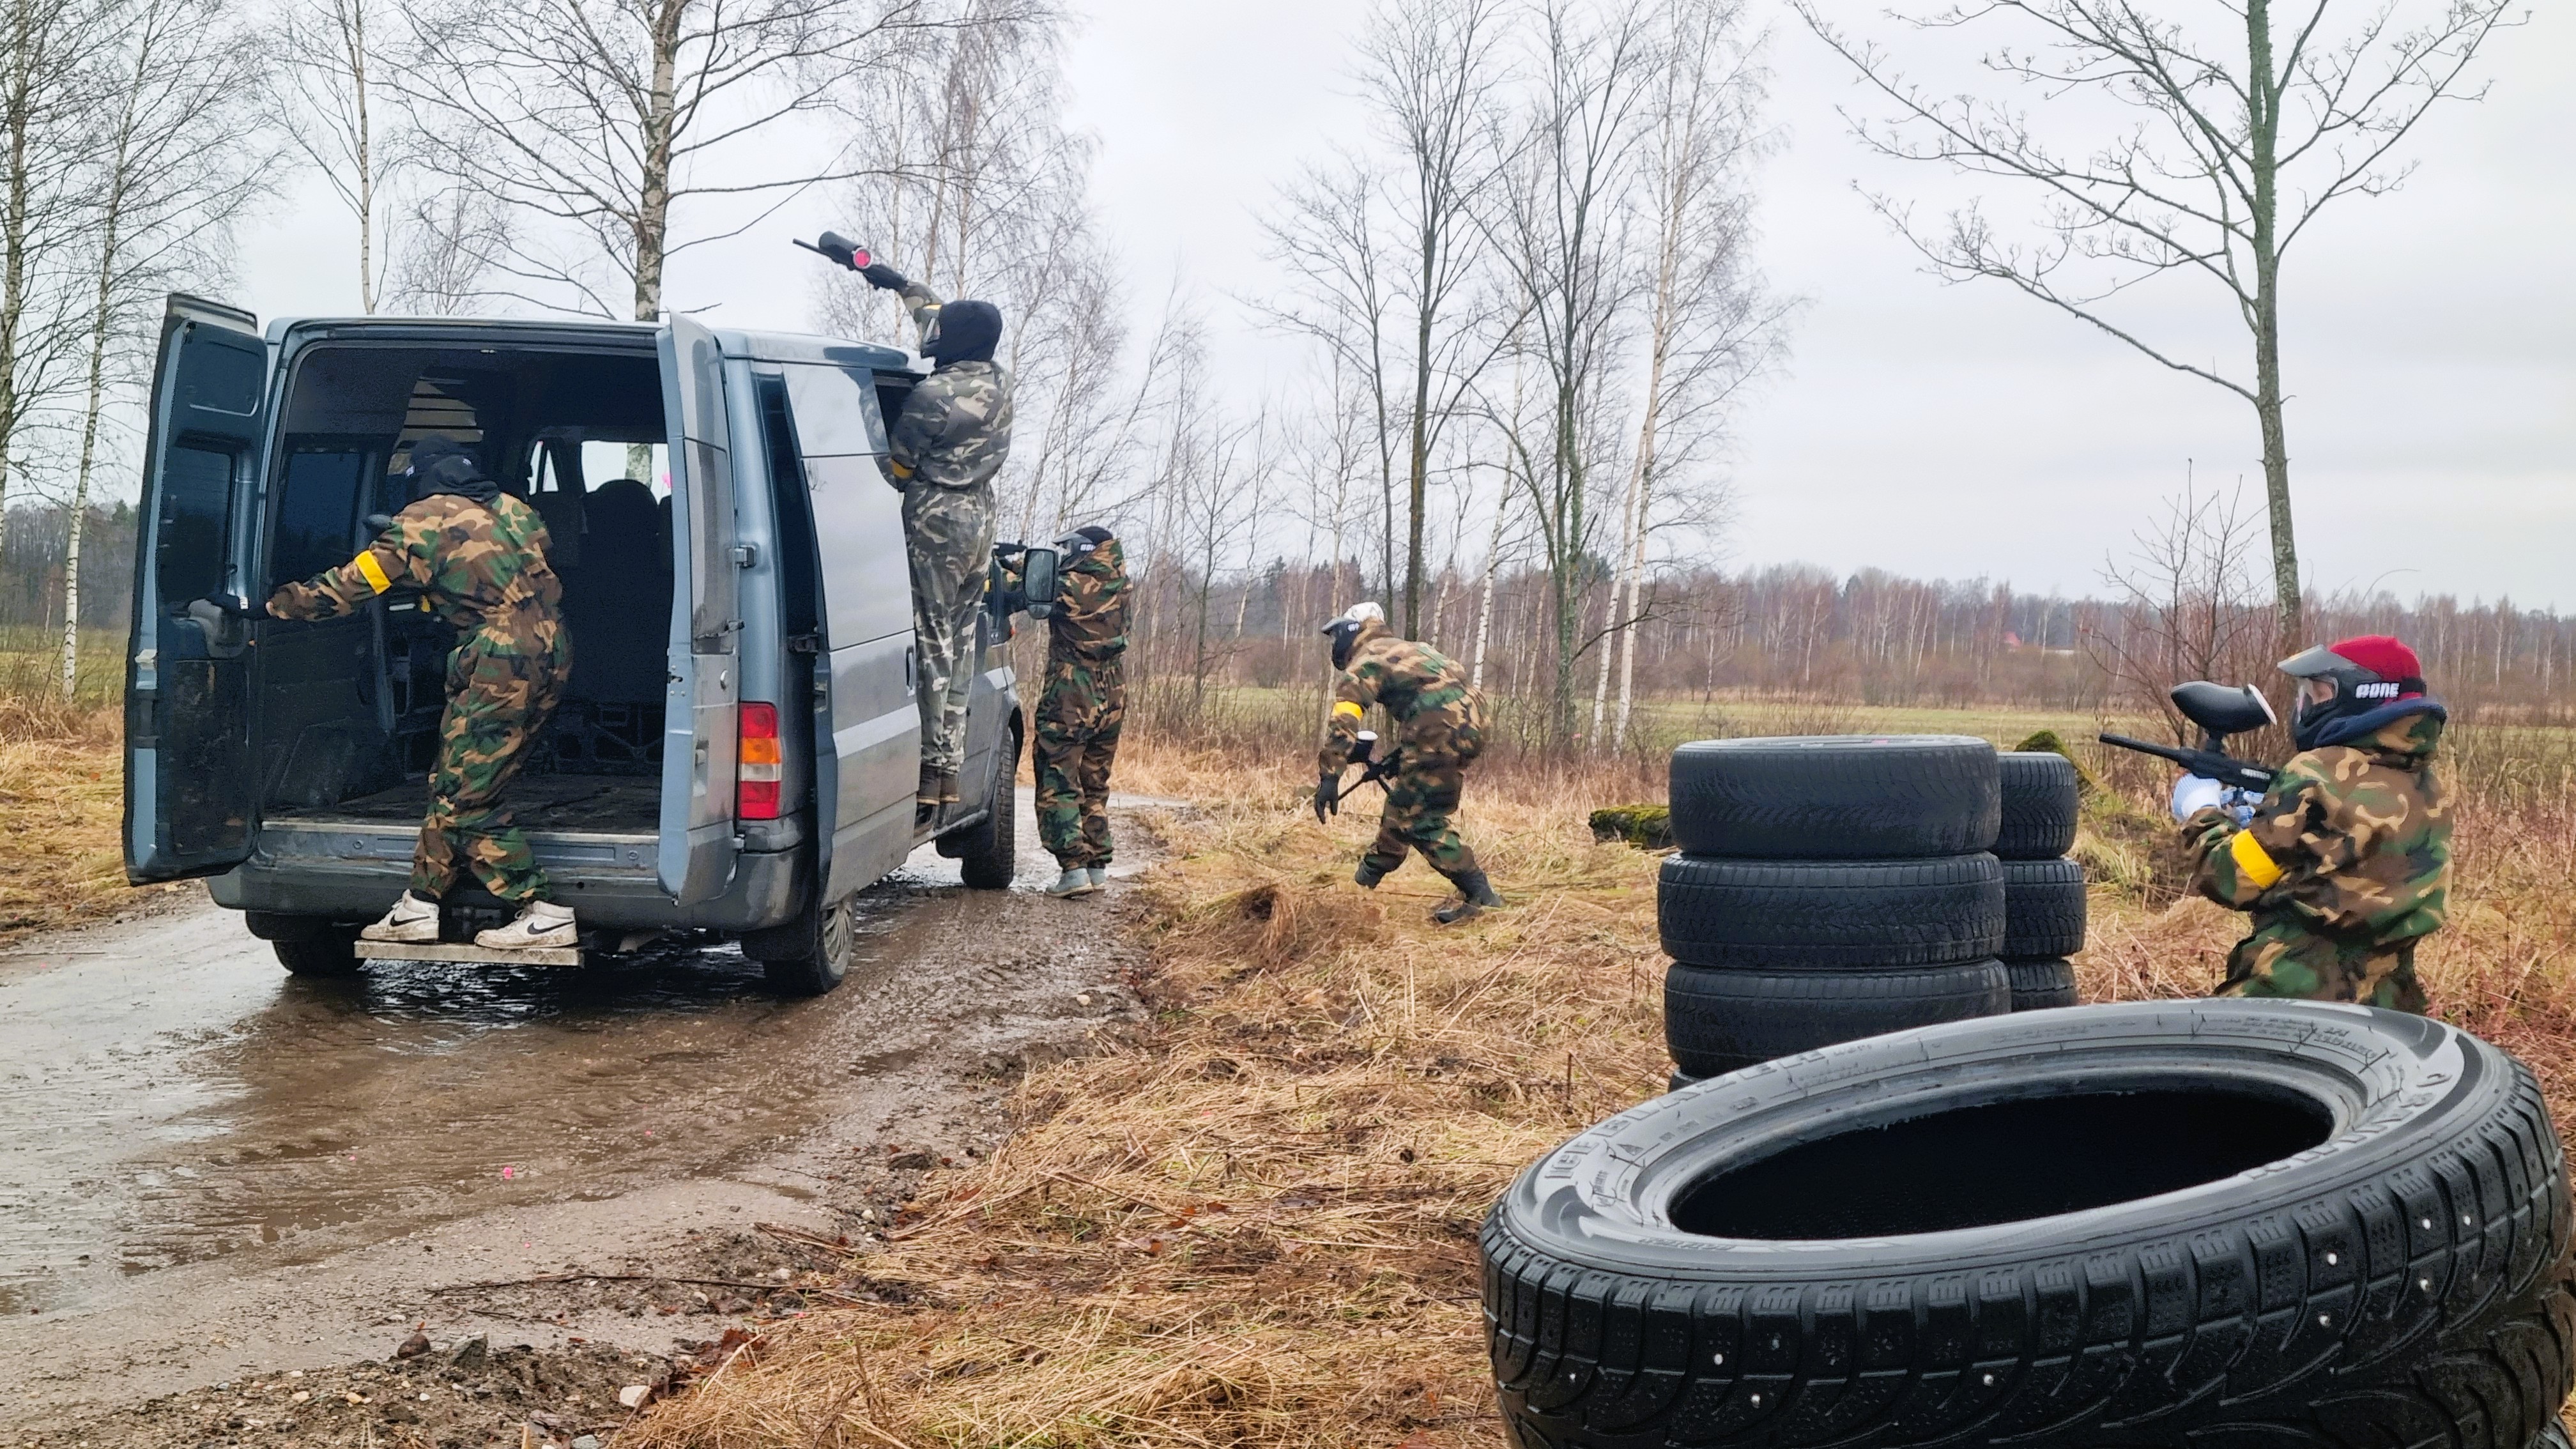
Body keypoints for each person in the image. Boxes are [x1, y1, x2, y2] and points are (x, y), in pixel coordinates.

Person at [264, 435, 578, 950]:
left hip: (500, 657)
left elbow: (346, 589)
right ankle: (419, 906)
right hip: (551, 644)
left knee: (467, 796)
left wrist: (270, 606)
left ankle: (539, 908)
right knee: (456, 779)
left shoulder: (418, 522)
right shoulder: (518, 510)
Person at [2172, 634, 2451, 1011]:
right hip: (2390, 1003)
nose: (2306, 705)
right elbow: (2342, 856)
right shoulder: (2427, 782)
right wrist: (2261, 820)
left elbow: (2233, 878)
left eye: (2318, 694)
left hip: (2289, 995)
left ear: (2360, 694)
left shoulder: (2316, 771)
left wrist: (2200, 811)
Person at [854, 256, 1012, 820]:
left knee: (931, 642)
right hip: (981, 521)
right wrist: (897, 283)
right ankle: (950, 772)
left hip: (935, 521)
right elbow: (946, 324)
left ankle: (929, 768)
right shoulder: (997, 380)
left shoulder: (934, 397)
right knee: (964, 642)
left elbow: (894, 468)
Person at [1312, 602, 1501, 925]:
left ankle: (1482, 896)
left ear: (1350, 632)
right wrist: (1404, 754)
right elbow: (1444, 691)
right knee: (1404, 805)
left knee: (1422, 820)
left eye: (1336, 638)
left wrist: (1330, 776)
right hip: (1474, 722)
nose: (1335, 647)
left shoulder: (1367, 659)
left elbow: (1345, 718)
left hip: (1437, 727)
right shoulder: (1412, 648)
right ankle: (1362, 885)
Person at [1020, 525, 1129, 899]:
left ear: (1083, 550)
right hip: (1113, 690)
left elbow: (1028, 583)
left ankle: (1072, 869)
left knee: (1058, 776)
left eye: (1069, 550)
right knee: (1094, 781)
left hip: (1072, 691)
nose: (1065, 556)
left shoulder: (1072, 587)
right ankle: (1097, 866)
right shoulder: (1121, 582)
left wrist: (1010, 565)